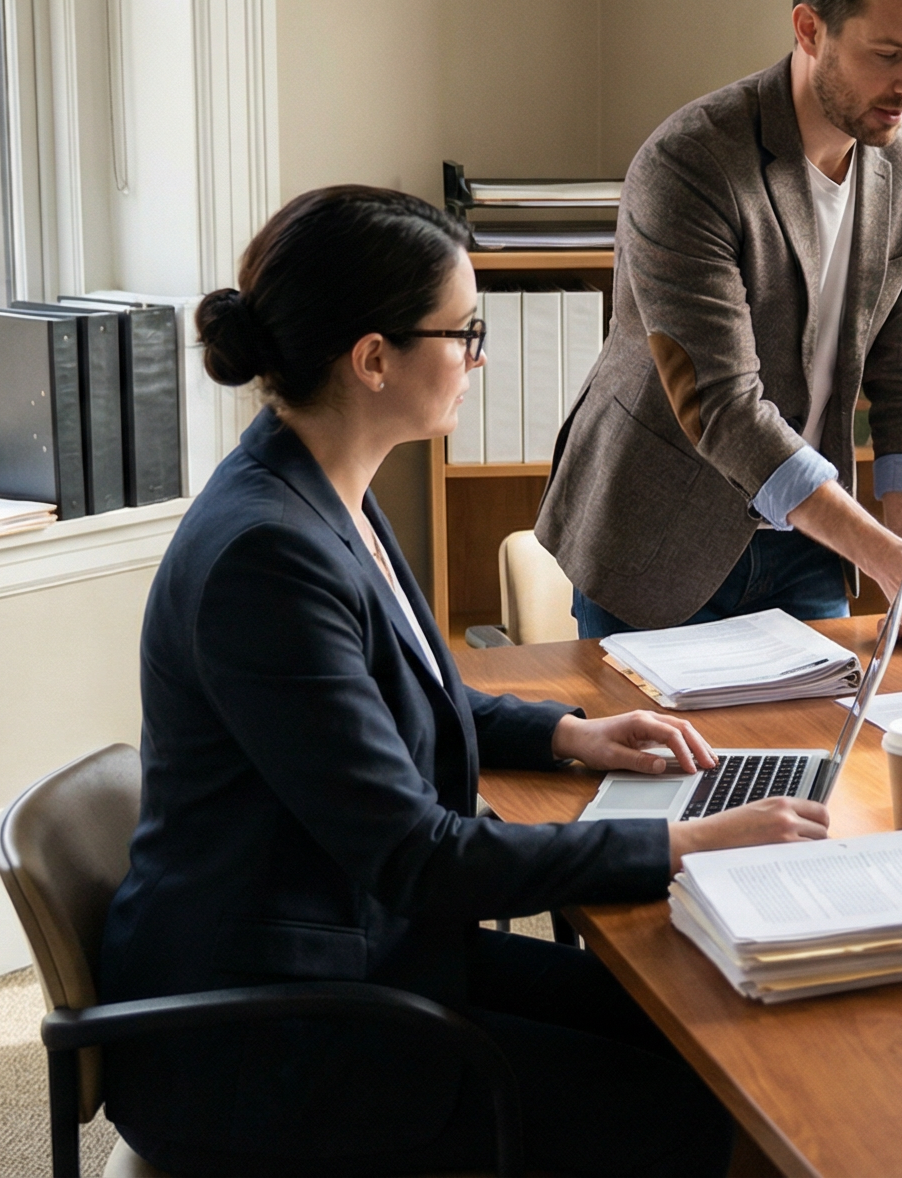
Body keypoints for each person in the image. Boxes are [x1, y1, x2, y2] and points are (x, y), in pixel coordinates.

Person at [100, 186, 826, 1177]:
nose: (479, 356)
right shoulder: (265, 557)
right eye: (465, 331)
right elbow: (418, 857)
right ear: (373, 359)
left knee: (708, 1029)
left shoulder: (321, 491)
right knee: (709, 1120)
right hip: (268, 1035)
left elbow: (398, 706)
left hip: (363, 955)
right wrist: (682, 843)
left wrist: (566, 736)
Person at [536, 0, 902, 676]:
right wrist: (883, 556)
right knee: (666, 781)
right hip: (657, 541)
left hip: (810, 544)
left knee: (811, 772)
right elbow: (720, 402)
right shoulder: (690, 163)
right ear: (811, 30)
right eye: (888, 53)